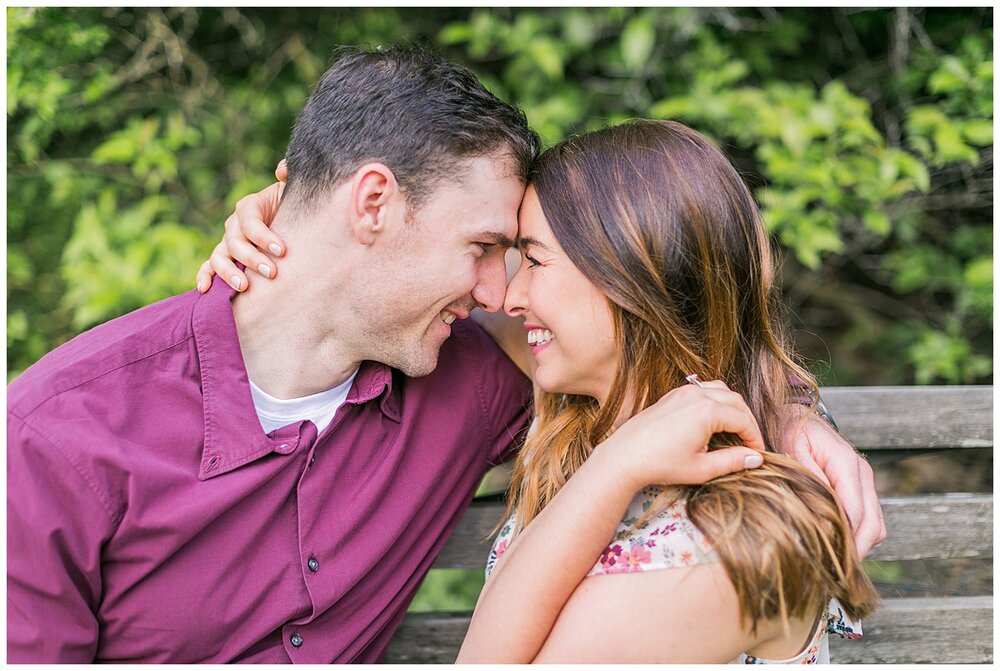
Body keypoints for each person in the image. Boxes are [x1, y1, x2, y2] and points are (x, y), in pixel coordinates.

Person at [206, 120, 882, 663]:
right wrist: (300, 228)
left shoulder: (721, 556)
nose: (508, 293)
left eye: (532, 259)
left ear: (629, 282)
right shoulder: (590, 407)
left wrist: (620, 465)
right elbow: (717, 330)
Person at [8, 45, 542, 663]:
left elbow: (625, 310)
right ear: (373, 203)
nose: (495, 291)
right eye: (481, 247)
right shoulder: (53, 436)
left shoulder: (469, 381)